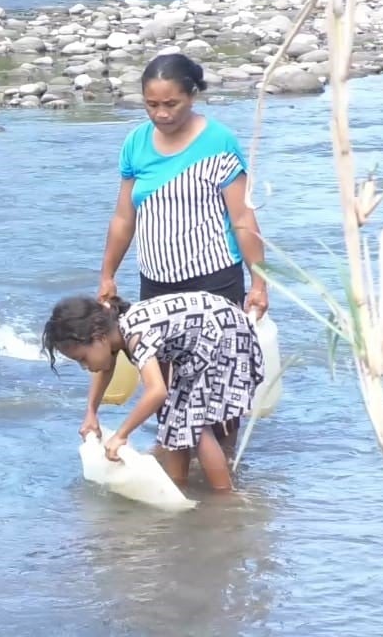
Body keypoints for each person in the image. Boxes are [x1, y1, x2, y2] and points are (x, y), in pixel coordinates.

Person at [97, 53, 268, 452]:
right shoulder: (136, 143)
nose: (161, 114)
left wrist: (260, 281)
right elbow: (124, 217)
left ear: (192, 96)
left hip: (214, 279)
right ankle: (181, 475)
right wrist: (107, 274)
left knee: (218, 388)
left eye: (170, 104)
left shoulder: (218, 142)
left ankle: (223, 478)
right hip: (156, 282)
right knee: (166, 389)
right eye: (151, 104)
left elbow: (242, 216)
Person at [42, 292, 264, 491]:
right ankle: (178, 486)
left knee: (194, 423)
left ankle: (225, 497)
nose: (84, 366)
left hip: (226, 334)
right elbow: (105, 367)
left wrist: (121, 435)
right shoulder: (114, 331)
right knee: (174, 420)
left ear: (99, 338)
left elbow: (157, 392)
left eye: (82, 358)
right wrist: (91, 412)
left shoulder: (136, 334)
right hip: (207, 335)